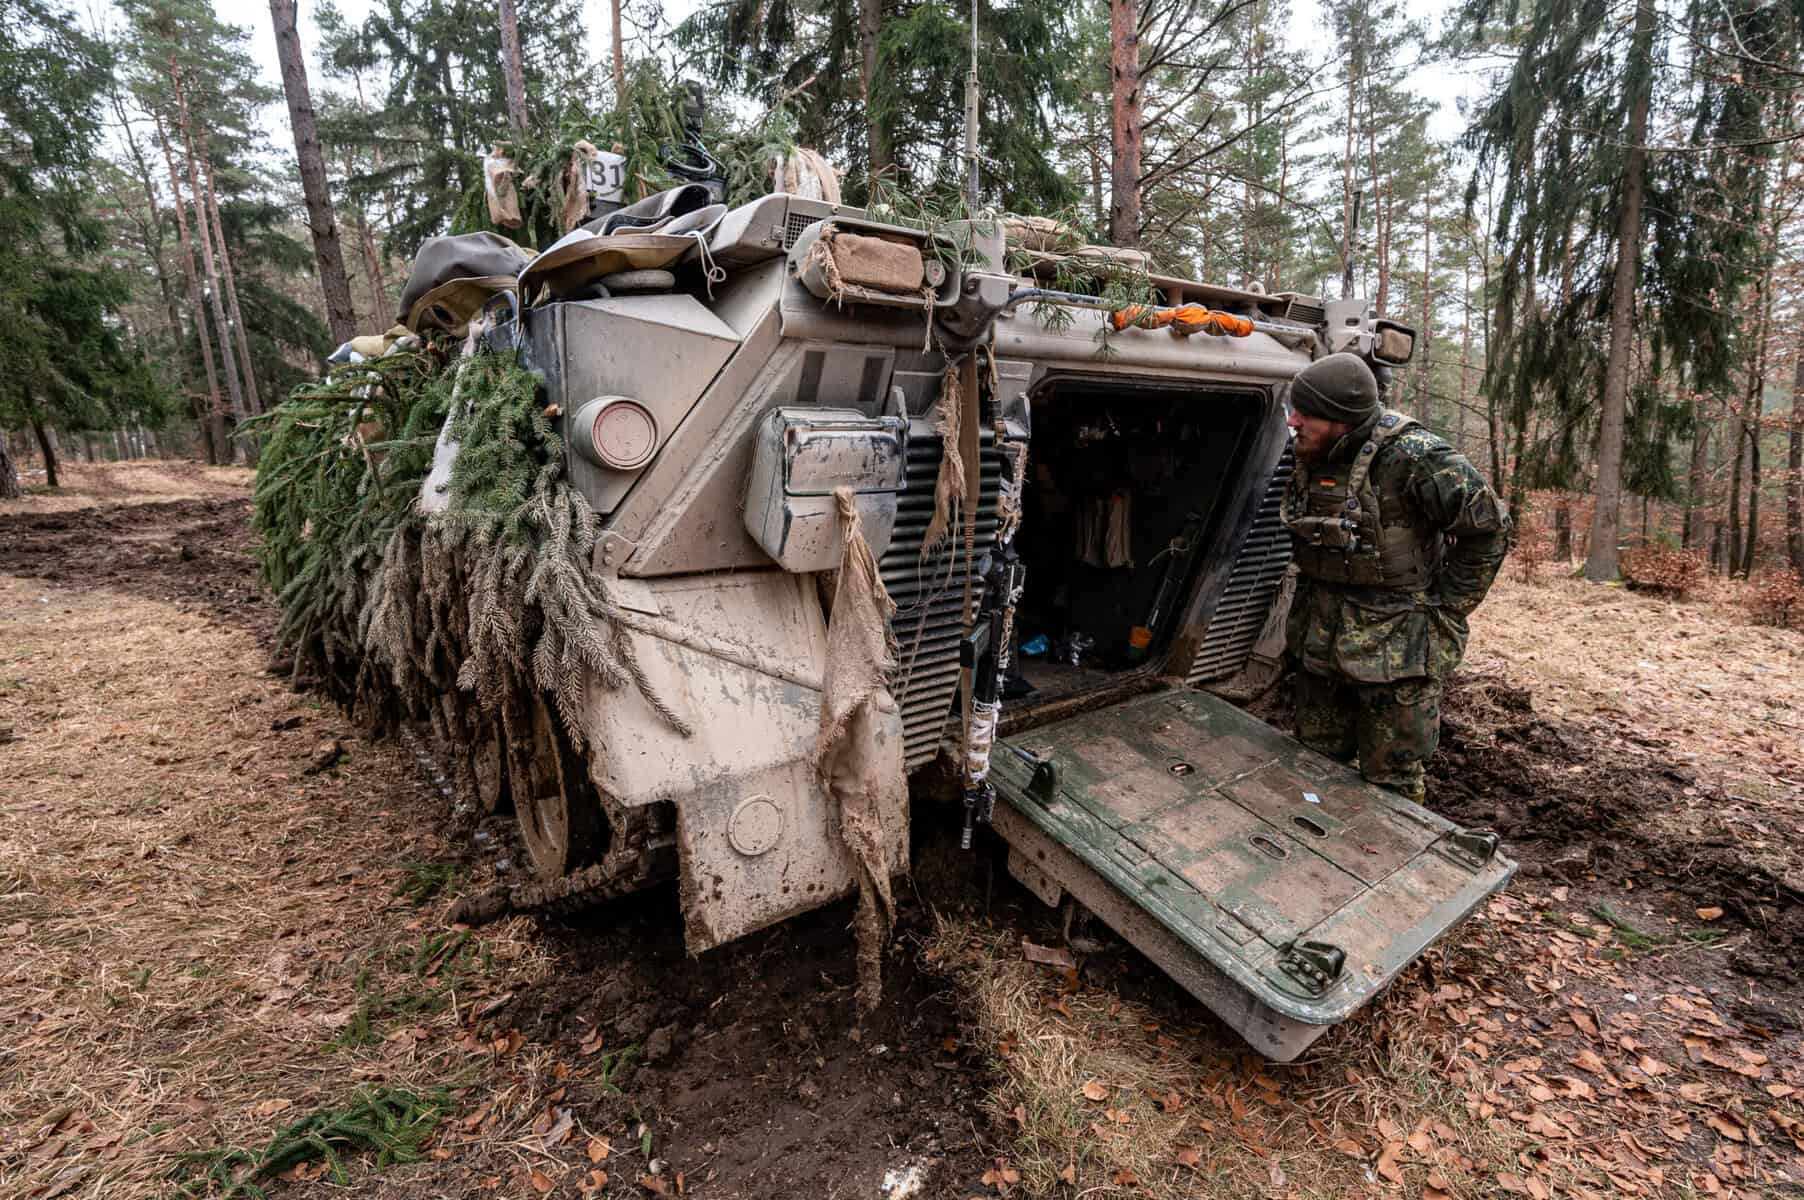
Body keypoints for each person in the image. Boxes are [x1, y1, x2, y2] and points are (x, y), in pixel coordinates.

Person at [1279, 352, 1509, 804]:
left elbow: (1489, 530)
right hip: (1319, 641)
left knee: (1393, 781)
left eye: (1305, 413)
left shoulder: (1418, 457)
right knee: (1314, 765)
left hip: (1396, 653)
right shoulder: (1314, 450)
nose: (1293, 421)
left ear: (1341, 420)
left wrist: (1446, 607)